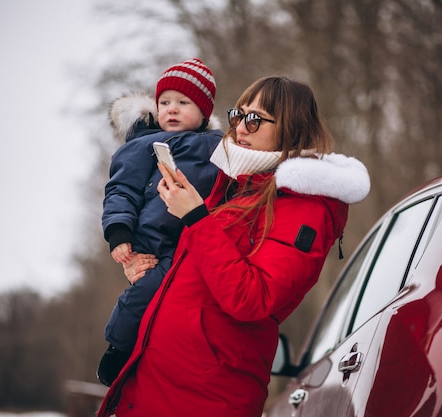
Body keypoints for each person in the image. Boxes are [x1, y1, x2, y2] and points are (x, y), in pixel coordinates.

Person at [96, 76, 371, 417]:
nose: (241, 128)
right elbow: (193, 265)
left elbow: (253, 298)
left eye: (255, 119)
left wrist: (196, 217)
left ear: (290, 127)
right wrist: (138, 257)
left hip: (206, 395)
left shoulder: (307, 206)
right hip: (158, 381)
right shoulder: (234, 184)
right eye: (237, 116)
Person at [97, 58, 223, 386]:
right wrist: (119, 231)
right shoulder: (141, 145)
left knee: (183, 306)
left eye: (183, 103)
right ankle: (119, 349)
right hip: (153, 243)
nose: (172, 109)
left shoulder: (218, 145)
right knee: (145, 293)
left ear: (204, 112)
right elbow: (121, 189)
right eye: (165, 102)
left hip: (193, 239)